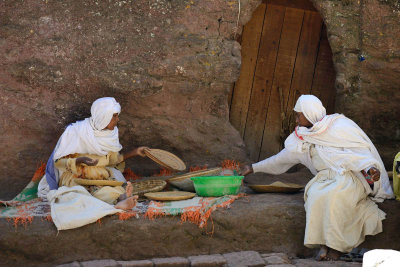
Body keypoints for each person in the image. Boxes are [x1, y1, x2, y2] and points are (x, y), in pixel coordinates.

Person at [241, 95, 394, 261]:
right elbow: (280, 159)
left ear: (310, 113)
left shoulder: (339, 126)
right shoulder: (301, 138)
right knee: (315, 195)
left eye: (299, 115)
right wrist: (254, 168)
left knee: (335, 195)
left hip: (349, 178)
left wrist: (370, 170)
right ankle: (323, 244)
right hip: (323, 179)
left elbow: (360, 153)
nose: (297, 119)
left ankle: (336, 247)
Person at [38, 97, 148, 210]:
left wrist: (135, 152)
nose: (118, 119)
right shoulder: (76, 131)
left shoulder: (111, 135)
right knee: (79, 195)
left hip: (99, 178)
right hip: (76, 177)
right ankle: (114, 204)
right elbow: (57, 163)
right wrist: (79, 161)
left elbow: (112, 161)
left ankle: (121, 198)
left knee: (113, 190)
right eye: (114, 116)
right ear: (103, 117)